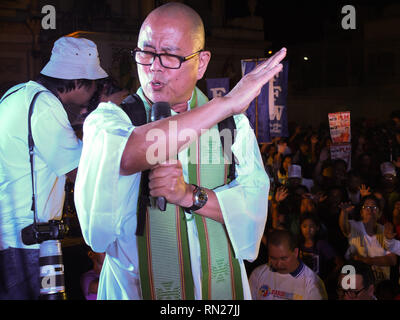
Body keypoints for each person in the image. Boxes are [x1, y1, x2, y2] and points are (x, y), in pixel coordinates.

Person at [74, 2, 287, 300]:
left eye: (170, 56)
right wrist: (224, 102)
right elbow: (126, 155)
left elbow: (251, 209)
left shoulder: (231, 126)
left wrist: (188, 195)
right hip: (136, 289)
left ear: (201, 63)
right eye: (146, 53)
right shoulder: (111, 119)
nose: (154, 67)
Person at [0, 36, 112, 299]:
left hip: (11, 233)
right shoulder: (45, 105)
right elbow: (79, 170)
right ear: (78, 81)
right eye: (93, 84)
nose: (94, 91)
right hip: (29, 239)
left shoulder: (15, 95)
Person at [249, 229, 327, 300]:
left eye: (283, 258)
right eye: (273, 258)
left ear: (296, 252)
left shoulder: (312, 282)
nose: (278, 264)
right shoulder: (258, 274)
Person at [339, 195, 397, 284]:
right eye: (366, 207)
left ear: (380, 213)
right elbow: (344, 226)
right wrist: (344, 212)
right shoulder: (354, 226)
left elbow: (392, 260)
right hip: (358, 284)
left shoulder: (385, 230)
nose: (370, 209)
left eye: (374, 207)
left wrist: (365, 260)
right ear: (361, 212)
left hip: (381, 283)